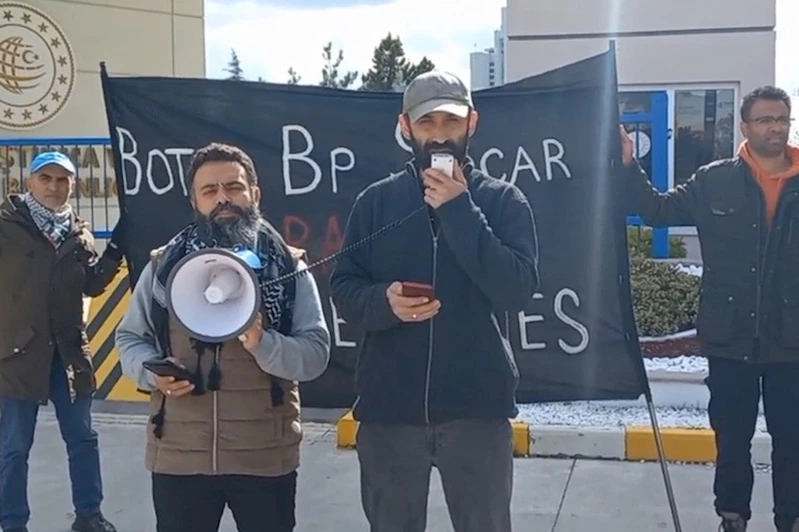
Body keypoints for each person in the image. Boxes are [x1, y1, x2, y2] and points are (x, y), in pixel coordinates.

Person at [329, 70, 540, 532]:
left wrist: (460, 210)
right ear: (406, 126)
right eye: (427, 123)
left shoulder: (504, 201)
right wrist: (383, 302)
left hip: (477, 411)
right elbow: (343, 288)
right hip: (390, 412)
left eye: (451, 121)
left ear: (472, 123)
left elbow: (518, 289)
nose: (440, 135)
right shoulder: (376, 202)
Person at [115, 142, 331, 532]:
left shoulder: (288, 266)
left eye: (233, 187)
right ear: (194, 201)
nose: (222, 199)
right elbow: (131, 338)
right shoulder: (164, 266)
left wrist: (263, 343)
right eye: (210, 190)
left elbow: (315, 354)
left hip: (264, 458)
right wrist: (151, 374)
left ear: (255, 194)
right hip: (179, 458)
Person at [620, 86, 799, 532]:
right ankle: (732, 517)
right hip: (729, 339)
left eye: (782, 119)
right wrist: (627, 165)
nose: (776, 127)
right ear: (744, 127)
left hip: (792, 340)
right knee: (732, 440)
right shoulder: (713, 180)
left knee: (794, 441)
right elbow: (657, 211)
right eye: (765, 120)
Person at [0, 151, 125, 532]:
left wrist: (117, 248)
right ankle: (12, 523)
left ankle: (89, 515)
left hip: (69, 355)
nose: (54, 186)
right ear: (30, 183)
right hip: (17, 355)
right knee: (14, 447)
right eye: (46, 178)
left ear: (72, 185)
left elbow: (91, 284)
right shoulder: (6, 225)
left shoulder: (78, 233)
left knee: (83, 439)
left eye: (62, 180)